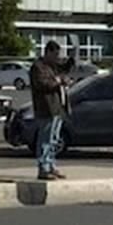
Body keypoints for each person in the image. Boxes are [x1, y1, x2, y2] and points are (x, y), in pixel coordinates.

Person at [30, 41, 74, 181]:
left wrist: (72, 59)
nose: (57, 58)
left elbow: (64, 69)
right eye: (55, 54)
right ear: (48, 52)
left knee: (54, 139)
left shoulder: (52, 66)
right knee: (45, 139)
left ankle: (51, 165)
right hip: (46, 108)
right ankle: (43, 168)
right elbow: (42, 84)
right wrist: (59, 81)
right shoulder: (38, 67)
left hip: (57, 108)